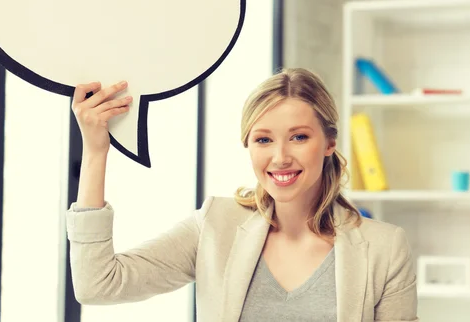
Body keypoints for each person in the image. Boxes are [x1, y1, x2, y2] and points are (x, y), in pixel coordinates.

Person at [66, 68, 418, 322]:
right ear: (248, 145)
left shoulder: (384, 249)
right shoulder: (215, 227)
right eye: (263, 139)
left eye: (298, 137)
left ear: (328, 143)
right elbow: (98, 285)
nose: (280, 156)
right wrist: (96, 152)